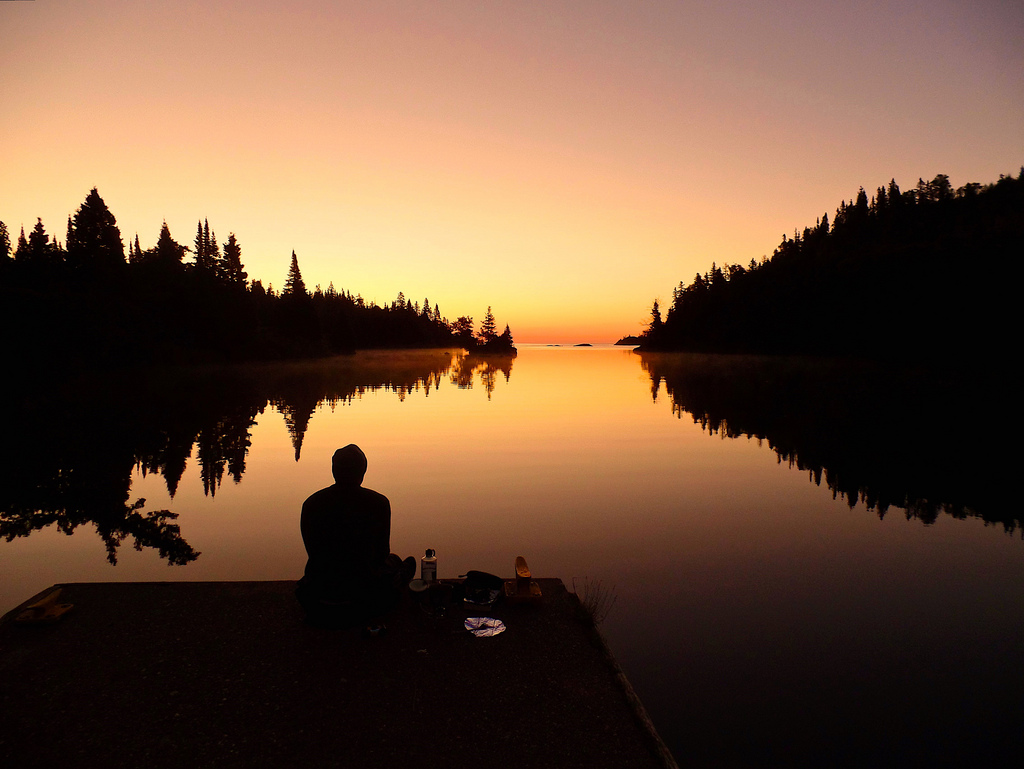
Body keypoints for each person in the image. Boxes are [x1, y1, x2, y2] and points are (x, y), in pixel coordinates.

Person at [296, 444, 414, 628]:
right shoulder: (378, 503)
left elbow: (313, 552)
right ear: (362, 472)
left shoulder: (311, 503)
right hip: (363, 597)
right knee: (399, 564)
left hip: (319, 597)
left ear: (334, 471)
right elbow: (381, 554)